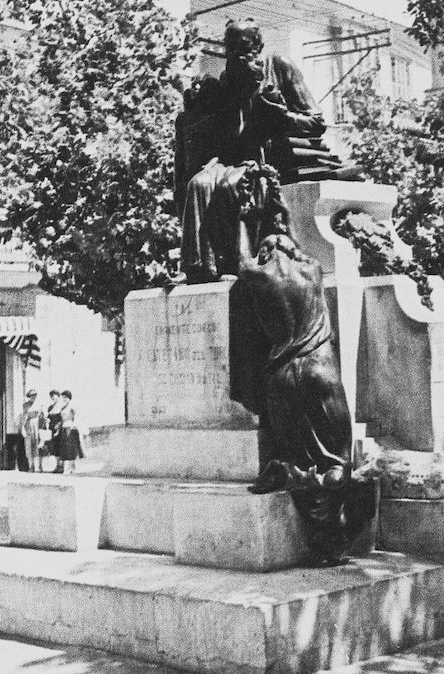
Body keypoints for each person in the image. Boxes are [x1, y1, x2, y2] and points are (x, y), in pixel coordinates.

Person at [235, 202, 374, 565]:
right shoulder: (312, 269)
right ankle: (333, 538)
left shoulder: (258, 276)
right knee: (338, 459)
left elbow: (243, 259)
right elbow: (291, 247)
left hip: (282, 375)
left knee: (299, 462)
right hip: (320, 370)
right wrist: (280, 214)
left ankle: (324, 538)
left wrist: (243, 220)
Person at [174, 19, 358, 283]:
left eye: (244, 44)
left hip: (269, 162)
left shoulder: (278, 68)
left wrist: (282, 117)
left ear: (257, 46)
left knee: (230, 186)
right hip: (233, 161)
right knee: (198, 184)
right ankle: (198, 268)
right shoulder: (227, 83)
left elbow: (316, 123)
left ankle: (236, 263)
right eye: (231, 45)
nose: (237, 51)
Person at [51, 390, 82, 474]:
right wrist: (58, 427)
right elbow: (61, 419)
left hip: (70, 428)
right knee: (65, 448)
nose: (64, 399)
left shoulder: (72, 407)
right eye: (63, 397)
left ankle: (71, 467)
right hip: (64, 428)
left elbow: (76, 417)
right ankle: (70, 466)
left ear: (69, 398)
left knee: (71, 448)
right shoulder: (63, 407)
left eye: (66, 397)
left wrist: (74, 425)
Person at [18, 389, 44, 473]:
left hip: (37, 426)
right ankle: (31, 466)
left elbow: (42, 416)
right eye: (31, 396)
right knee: (28, 447)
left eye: (35, 395)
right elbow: (24, 416)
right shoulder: (25, 405)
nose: (33, 397)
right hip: (28, 426)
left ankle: (38, 466)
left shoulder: (39, 405)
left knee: (37, 446)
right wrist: (22, 428)